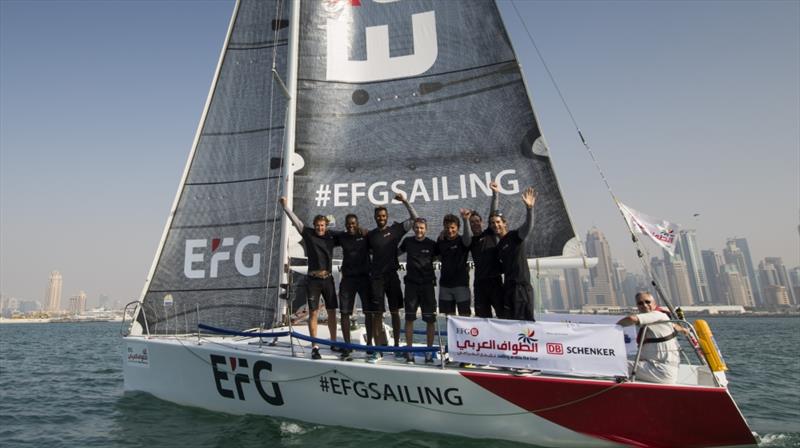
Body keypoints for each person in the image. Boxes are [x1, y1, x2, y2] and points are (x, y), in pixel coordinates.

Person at [279, 196, 338, 360]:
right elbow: (296, 221)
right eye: (318, 226)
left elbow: (350, 236)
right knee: (313, 312)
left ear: (326, 226)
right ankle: (314, 346)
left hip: (328, 279)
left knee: (332, 312)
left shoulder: (331, 237)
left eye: (322, 226)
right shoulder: (309, 234)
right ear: (314, 226)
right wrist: (285, 207)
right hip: (313, 280)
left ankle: (334, 342)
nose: (320, 228)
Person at [366, 193, 418, 363]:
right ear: (375, 217)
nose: (381, 218)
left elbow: (415, 219)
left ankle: (396, 346)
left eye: (383, 216)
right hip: (376, 279)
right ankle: (378, 350)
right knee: (377, 314)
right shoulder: (370, 235)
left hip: (392, 276)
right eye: (378, 216)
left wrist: (405, 201)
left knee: (395, 312)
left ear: (387, 217)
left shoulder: (395, 230)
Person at [489, 182, 537, 321]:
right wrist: (495, 194)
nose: (495, 225)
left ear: (504, 223)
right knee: (509, 323)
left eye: (498, 222)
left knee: (524, 326)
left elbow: (528, 226)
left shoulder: (516, 236)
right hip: (508, 288)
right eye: (493, 223)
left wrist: (529, 208)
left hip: (521, 289)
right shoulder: (499, 246)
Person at [617, 292, 682, 384]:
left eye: (648, 302)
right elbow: (674, 325)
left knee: (614, 364)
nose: (644, 305)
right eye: (640, 303)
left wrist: (612, 328)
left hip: (660, 370)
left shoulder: (657, 315)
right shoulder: (658, 318)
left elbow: (631, 319)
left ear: (655, 304)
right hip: (657, 369)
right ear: (637, 306)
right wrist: (683, 329)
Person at [399, 218, 437, 363]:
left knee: (430, 320)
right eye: (416, 227)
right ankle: (409, 352)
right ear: (413, 228)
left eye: (421, 228)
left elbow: (441, 256)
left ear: (426, 229)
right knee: (409, 319)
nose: (419, 230)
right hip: (411, 286)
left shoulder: (432, 244)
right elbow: (394, 253)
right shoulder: (407, 242)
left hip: (427, 286)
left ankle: (428, 352)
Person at [333, 214, 371, 362]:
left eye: (353, 224)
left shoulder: (365, 235)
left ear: (357, 223)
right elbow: (326, 234)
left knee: (369, 312)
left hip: (364, 278)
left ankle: (369, 346)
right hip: (348, 279)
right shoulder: (342, 237)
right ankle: (347, 346)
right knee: (344, 313)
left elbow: (379, 240)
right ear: (345, 224)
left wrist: (366, 231)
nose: (351, 226)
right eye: (348, 224)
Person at [469, 188, 503, 318]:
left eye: (477, 221)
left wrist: (495, 194)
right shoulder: (469, 241)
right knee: (482, 318)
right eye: (472, 222)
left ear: (482, 222)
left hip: (495, 282)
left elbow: (493, 212)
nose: (475, 224)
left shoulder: (489, 232)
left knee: (503, 315)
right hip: (479, 284)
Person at [435, 210, 473, 316]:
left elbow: (468, 238)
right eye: (447, 227)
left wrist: (465, 220)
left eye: (453, 227)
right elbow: (438, 255)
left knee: (464, 317)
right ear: (443, 227)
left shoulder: (463, 240)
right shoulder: (440, 240)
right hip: (445, 286)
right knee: (450, 319)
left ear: (458, 227)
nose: (450, 230)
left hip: (461, 285)